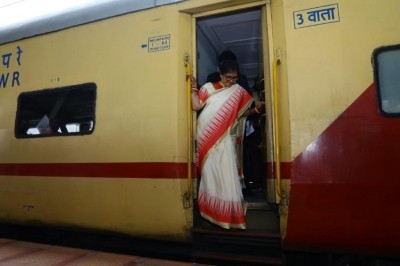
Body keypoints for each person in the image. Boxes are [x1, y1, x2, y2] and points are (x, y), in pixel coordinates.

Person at [189, 59, 264, 229]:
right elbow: (196, 106)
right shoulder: (207, 88)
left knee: (226, 174)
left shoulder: (237, 91)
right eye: (228, 77)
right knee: (210, 175)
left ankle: (228, 213)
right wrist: (194, 88)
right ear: (220, 74)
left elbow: (238, 115)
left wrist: (256, 109)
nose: (232, 81)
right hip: (205, 137)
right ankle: (210, 210)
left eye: (235, 78)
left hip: (224, 139)